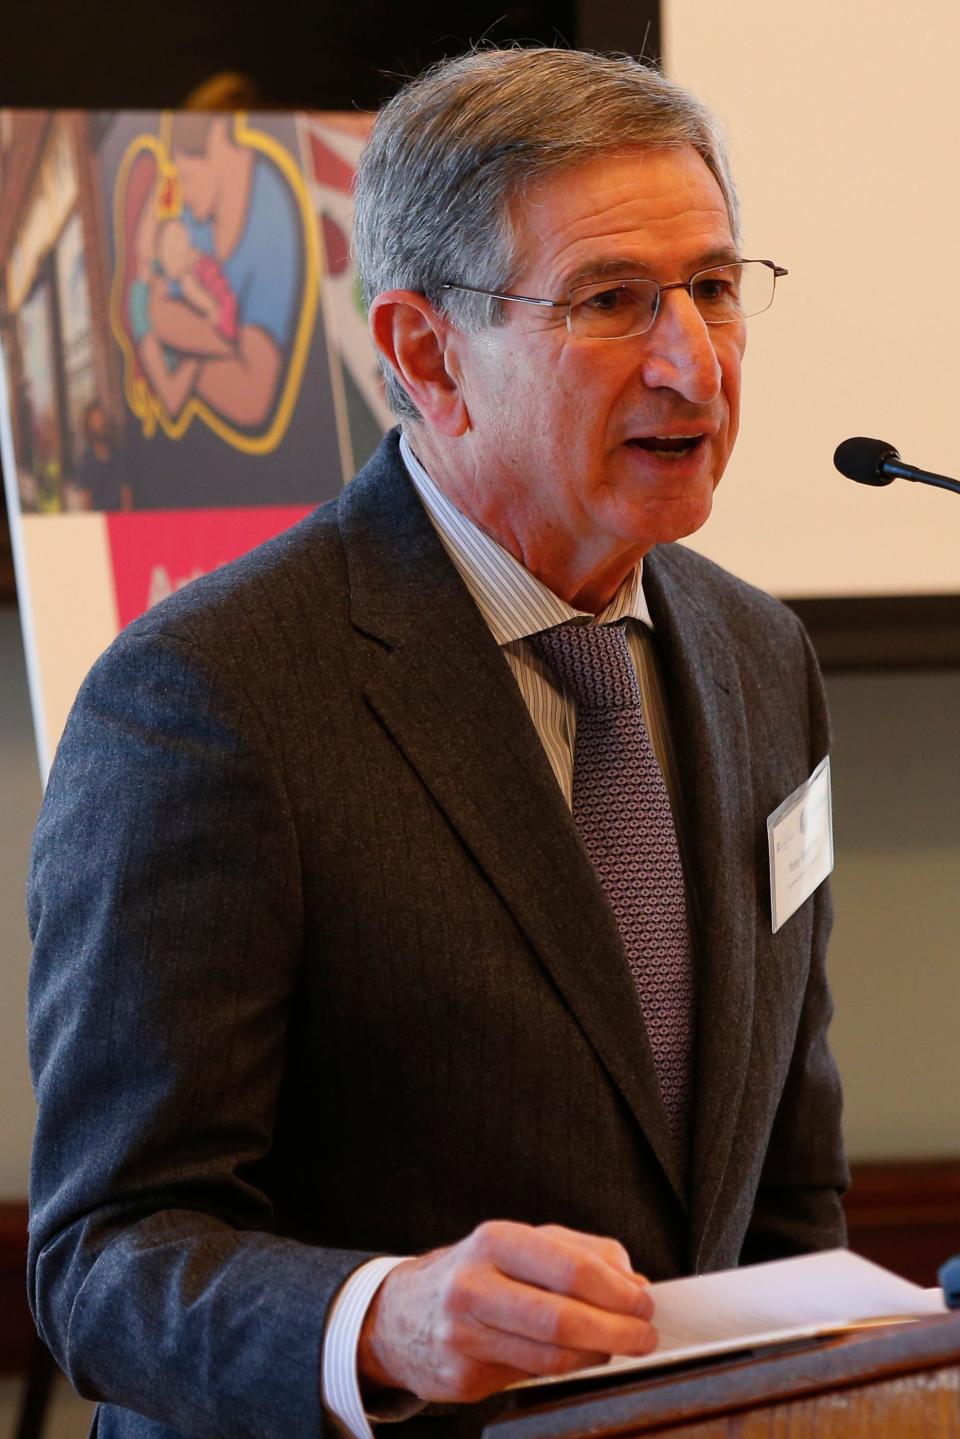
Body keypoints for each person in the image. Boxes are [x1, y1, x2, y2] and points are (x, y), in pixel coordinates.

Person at [27, 47, 847, 1439]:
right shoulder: (207, 696)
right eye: (613, 301)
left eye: (714, 287)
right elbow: (107, 1258)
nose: (693, 359)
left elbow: (784, 1185)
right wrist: (385, 1317)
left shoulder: (763, 659)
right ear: (425, 353)